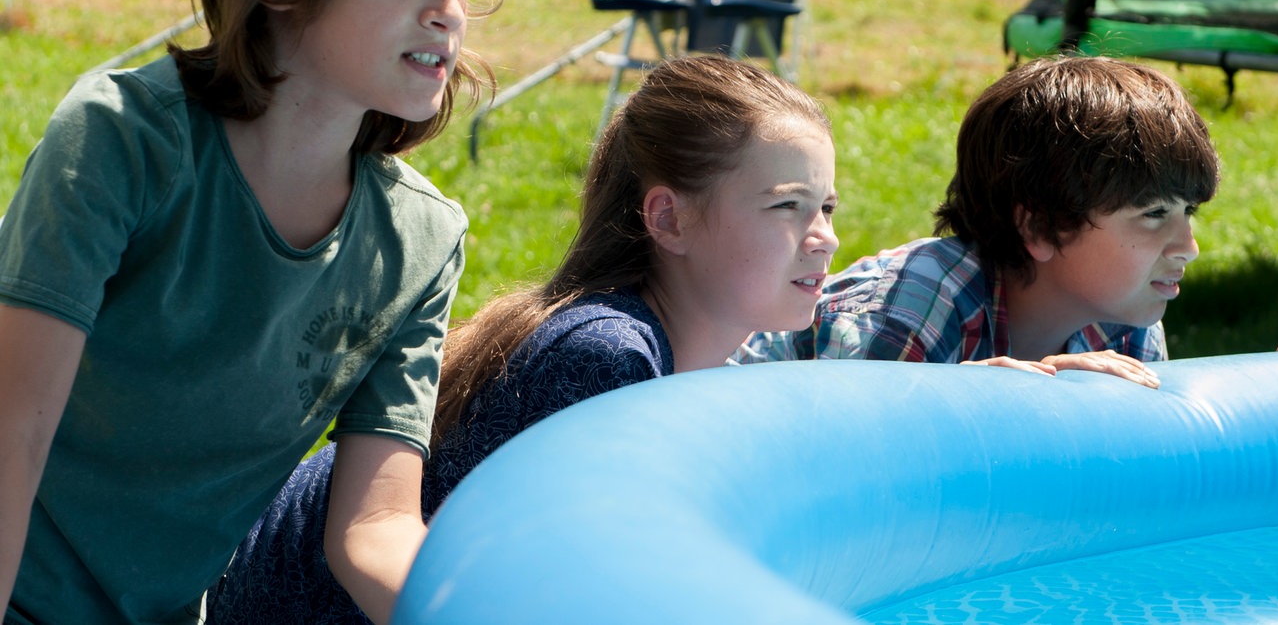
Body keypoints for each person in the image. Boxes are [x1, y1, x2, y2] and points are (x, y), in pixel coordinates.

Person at [0, 0, 506, 622]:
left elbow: (373, 529)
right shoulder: (123, 140)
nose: (449, 8)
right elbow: (10, 437)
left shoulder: (422, 239)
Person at [205, 55, 840, 623]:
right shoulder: (605, 359)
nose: (825, 237)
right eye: (787, 207)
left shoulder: (656, 354)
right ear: (668, 218)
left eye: (827, 207)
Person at [741, 55, 1278, 381]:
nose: (1188, 246)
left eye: (1188, 213)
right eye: (1153, 216)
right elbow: (847, 473)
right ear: (1041, 228)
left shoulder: (1121, 318)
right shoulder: (910, 314)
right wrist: (977, 404)